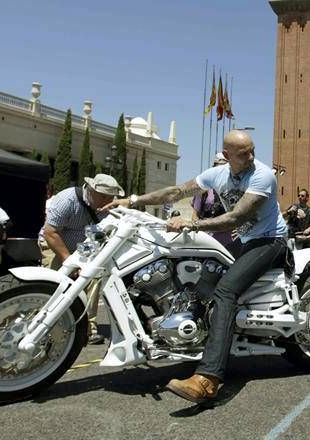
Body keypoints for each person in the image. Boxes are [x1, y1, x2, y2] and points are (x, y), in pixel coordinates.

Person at [103, 130, 288, 402]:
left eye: (252, 150)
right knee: (202, 280)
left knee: (226, 291)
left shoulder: (262, 175)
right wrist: (133, 201)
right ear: (227, 156)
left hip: (269, 241)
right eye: (243, 153)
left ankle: (209, 379)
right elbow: (176, 191)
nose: (251, 156)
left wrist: (191, 223)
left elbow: (236, 217)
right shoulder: (217, 175)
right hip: (247, 241)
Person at [39, 173, 124, 344]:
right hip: (56, 245)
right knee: (54, 283)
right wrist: (69, 260)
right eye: (103, 196)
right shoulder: (67, 200)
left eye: (111, 197)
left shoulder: (110, 207)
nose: (107, 201)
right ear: (91, 190)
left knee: (93, 281)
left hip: (86, 249)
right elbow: (51, 232)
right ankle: (44, 325)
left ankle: (87, 328)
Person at [192, 153, 242, 256]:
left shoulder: (237, 190)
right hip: (207, 239)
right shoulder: (203, 190)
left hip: (230, 240)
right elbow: (194, 216)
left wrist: (241, 230)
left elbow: (243, 214)